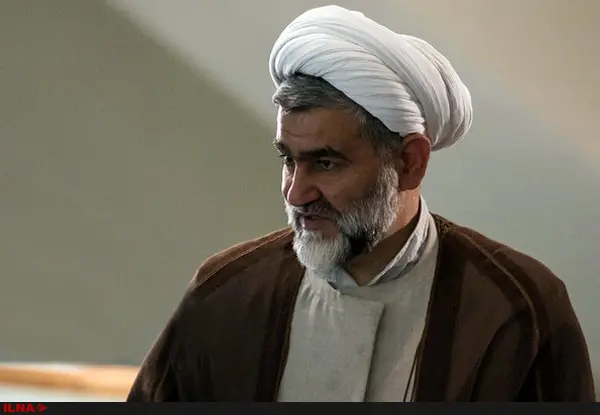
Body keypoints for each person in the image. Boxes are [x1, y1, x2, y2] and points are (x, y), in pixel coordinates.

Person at [126, 5, 595, 402]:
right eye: (288, 160)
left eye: (325, 163)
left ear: (409, 163)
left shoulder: (515, 307)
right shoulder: (225, 294)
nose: (296, 193)